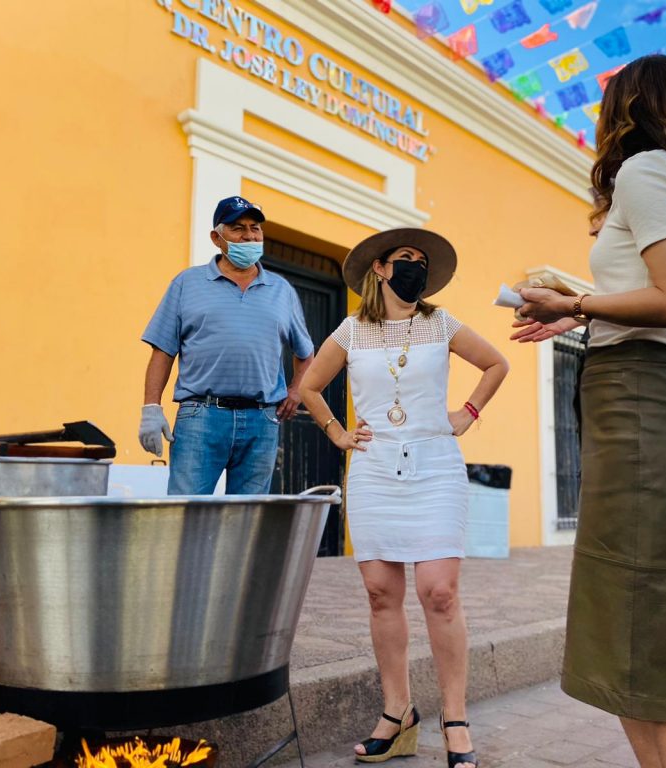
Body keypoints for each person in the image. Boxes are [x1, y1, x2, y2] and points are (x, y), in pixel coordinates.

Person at [511, 54, 666, 767]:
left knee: (661, 651)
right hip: (640, 406)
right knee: (632, 641)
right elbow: (665, 296)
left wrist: (577, 302)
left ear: (625, 108)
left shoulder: (646, 172)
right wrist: (580, 314)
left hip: (643, 407)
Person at [299, 228, 508, 768]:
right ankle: (398, 714)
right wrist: (337, 433)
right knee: (379, 594)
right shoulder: (352, 330)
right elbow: (309, 387)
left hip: (435, 468)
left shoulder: (441, 323)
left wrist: (468, 413)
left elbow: (496, 364)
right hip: (374, 471)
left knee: (439, 593)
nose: (416, 266)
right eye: (405, 258)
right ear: (380, 268)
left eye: (422, 261)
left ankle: (455, 718)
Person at [139, 196, 315, 494]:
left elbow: (306, 353)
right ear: (216, 238)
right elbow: (163, 350)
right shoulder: (187, 283)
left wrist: (296, 390)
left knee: (249, 516)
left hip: (261, 420)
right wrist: (151, 408)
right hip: (201, 417)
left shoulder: (281, 290)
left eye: (255, 228)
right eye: (238, 228)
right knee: (188, 512)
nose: (249, 236)